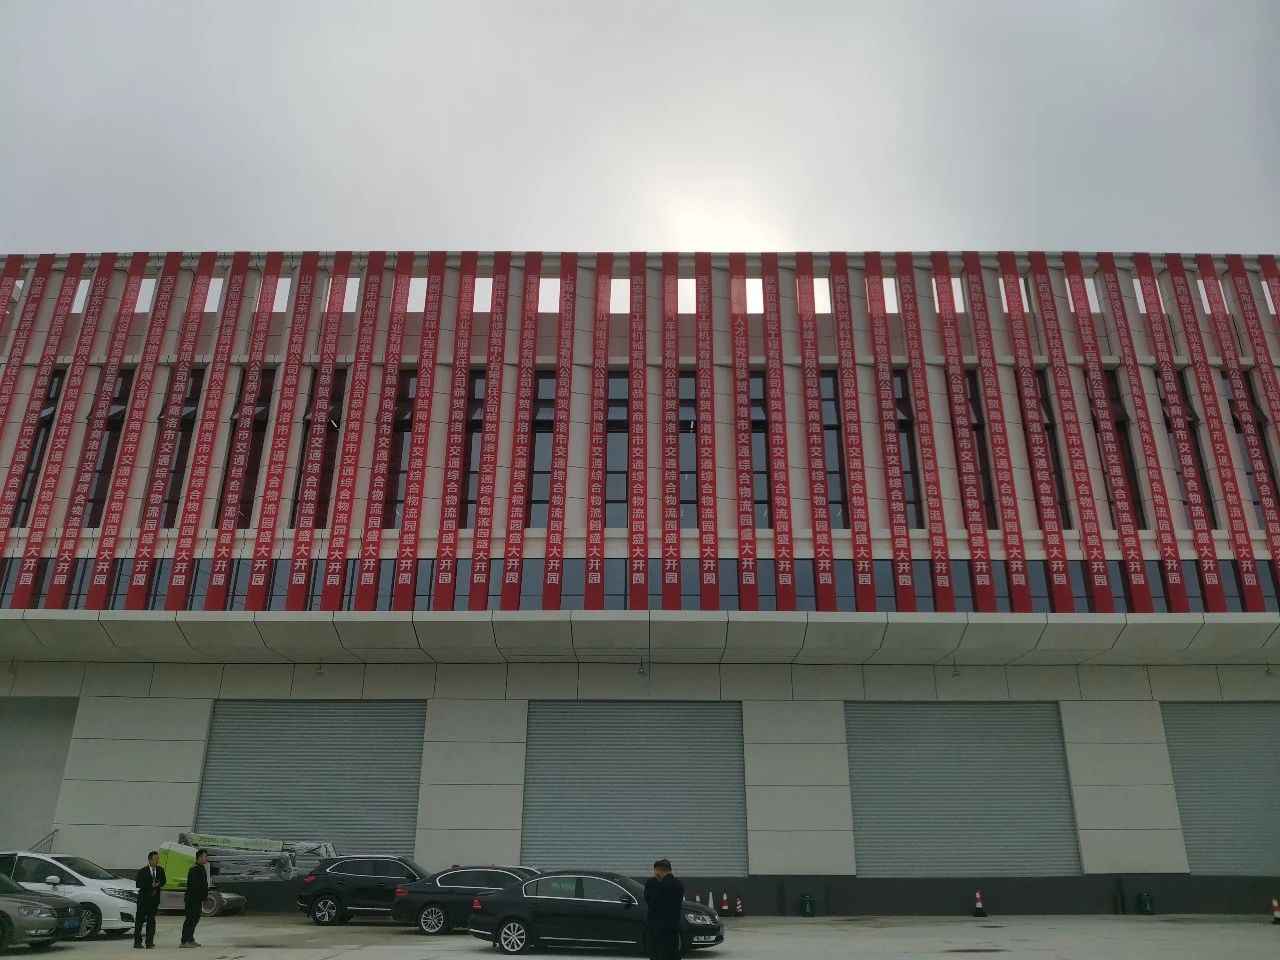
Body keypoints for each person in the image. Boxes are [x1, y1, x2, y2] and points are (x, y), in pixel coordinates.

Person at [643, 858, 684, 960]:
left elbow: (652, 902)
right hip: (673, 925)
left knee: (657, 952)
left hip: (658, 926)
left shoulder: (658, 885)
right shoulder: (679, 884)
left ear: (660, 870)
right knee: (673, 951)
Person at [133, 851, 166, 949]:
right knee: (139, 921)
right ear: (150, 860)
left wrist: (159, 884)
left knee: (151, 921)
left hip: (154, 900)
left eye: (158, 858)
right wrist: (150, 885)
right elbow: (138, 884)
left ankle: (149, 942)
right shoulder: (143, 871)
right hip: (143, 900)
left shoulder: (160, 870)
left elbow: (164, 881)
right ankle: (137, 942)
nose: (157, 861)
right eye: (155, 859)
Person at [180, 849, 210, 948]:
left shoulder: (201, 868)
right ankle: (184, 941)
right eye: (205, 856)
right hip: (192, 900)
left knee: (195, 919)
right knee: (190, 919)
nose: (206, 858)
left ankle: (190, 939)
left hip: (198, 900)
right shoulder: (194, 869)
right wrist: (198, 897)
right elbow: (194, 886)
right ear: (199, 857)